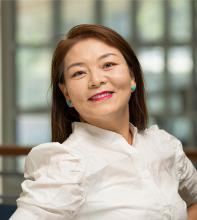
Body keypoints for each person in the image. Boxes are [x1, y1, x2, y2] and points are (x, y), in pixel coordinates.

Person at [10, 24, 197, 220]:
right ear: (67, 94)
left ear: (132, 77)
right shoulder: (67, 164)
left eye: (108, 65)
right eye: (79, 73)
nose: (96, 80)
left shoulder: (163, 145)